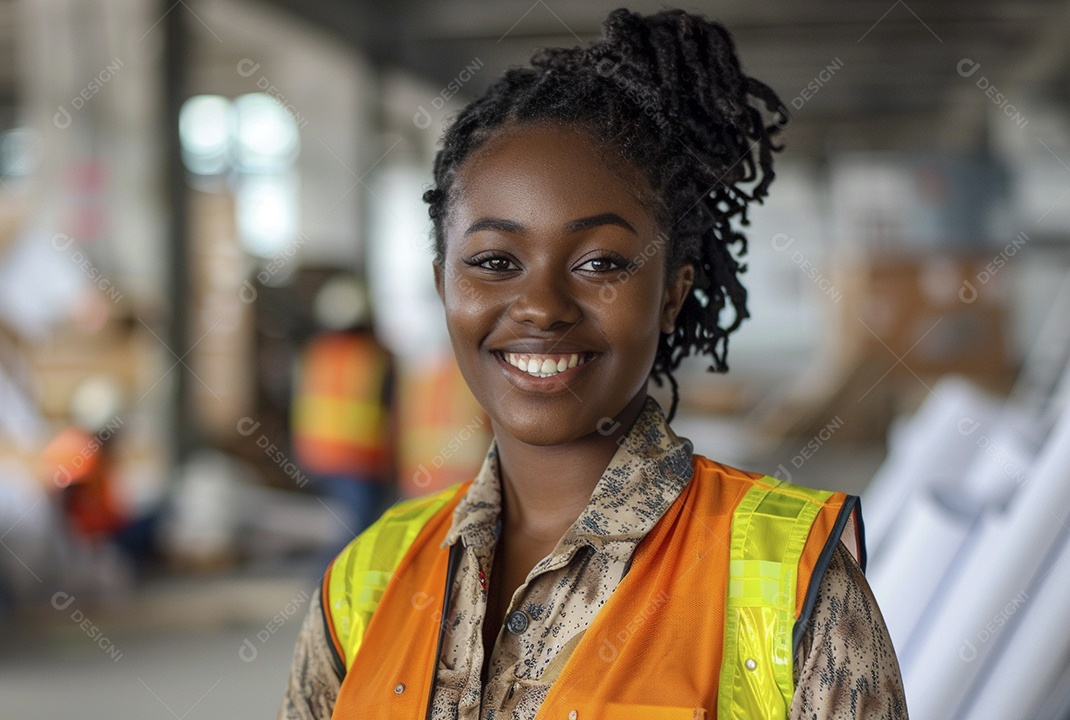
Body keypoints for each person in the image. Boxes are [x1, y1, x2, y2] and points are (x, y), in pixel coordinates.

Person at [280, 8, 908, 719]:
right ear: (441, 285)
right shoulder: (365, 579)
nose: (541, 307)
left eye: (601, 262)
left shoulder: (789, 575)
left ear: (673, 293)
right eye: (493, 261)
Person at [291, 275, 395, 542]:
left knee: (342, 533)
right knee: (356, 537)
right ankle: (327, 582)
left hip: (315, 458)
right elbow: (393, 412)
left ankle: (326, 580)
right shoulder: (374, 356)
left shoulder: (316, 352)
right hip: (358, 461)